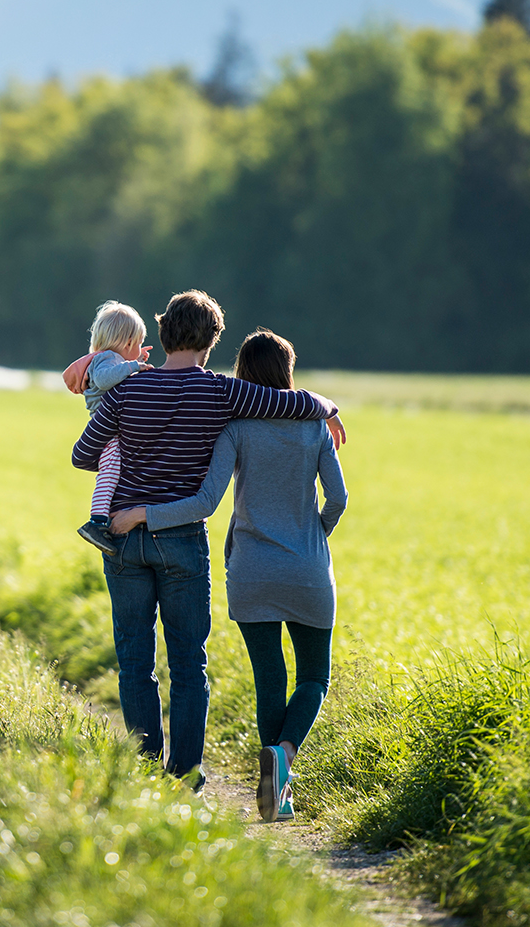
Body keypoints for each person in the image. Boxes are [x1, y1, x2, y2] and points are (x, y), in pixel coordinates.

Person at [71, 291, 344, 784]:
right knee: (188, 662)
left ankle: (143, 769)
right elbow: (288, 402)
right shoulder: (222, 392)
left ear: (161, 334)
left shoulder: (130, 389)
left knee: (135, 659)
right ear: (213, 340)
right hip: (181, 540)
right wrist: (327, 408)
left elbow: (82, 454)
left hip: (123, 535)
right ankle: (186, 772)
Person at [60, 301, 152, 554]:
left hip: (110, 427)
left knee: (114, 468)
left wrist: (135, 361)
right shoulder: (106, 360)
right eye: (138, 345)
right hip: (108, 432)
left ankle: (100, 517)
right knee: (110, 470)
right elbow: (104, 379)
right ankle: (96, 521)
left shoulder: (108, 359)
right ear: (127, 343)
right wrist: (133, 366)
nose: (139, 352)